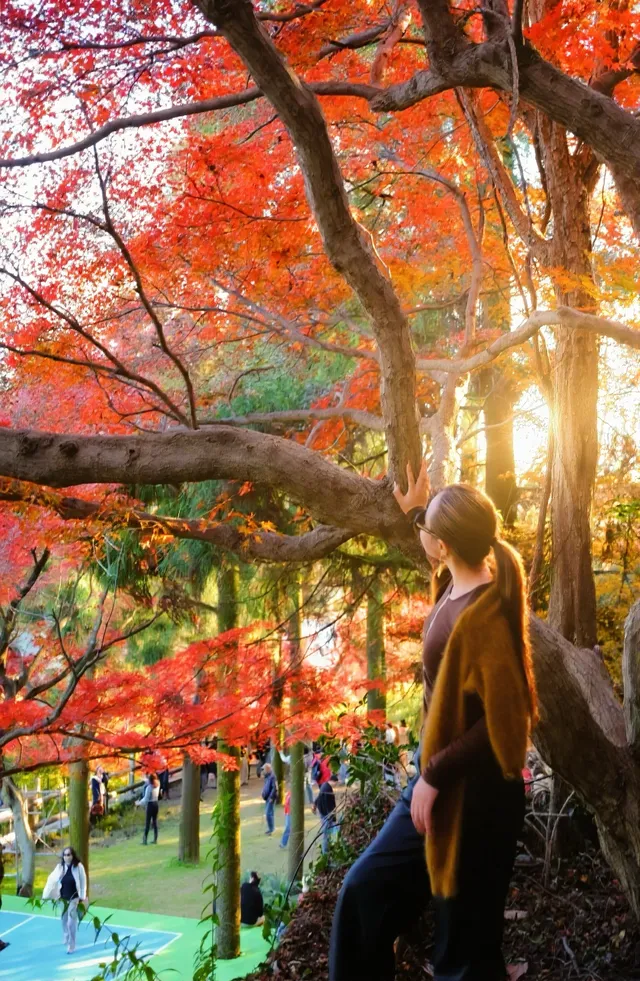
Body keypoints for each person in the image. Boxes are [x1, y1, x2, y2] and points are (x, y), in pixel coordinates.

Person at [329, 463, 537, 981]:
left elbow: (502, 726)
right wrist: (418, 511)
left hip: (475, 799)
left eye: (429, 532)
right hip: (441, 782)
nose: (422, 537)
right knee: (364, 894)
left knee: (463, 957)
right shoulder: (459, 579)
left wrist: (433, 776)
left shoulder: (485, 616)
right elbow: (433, 542)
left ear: (446, 545)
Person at [42, 846, 88, 954]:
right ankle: (66, 935)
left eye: (69, 855)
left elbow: (83, 882)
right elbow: (51, 880)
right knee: (63, 920)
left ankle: (72, 945)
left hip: (74, 899)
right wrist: (47, 894)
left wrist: (82, 896)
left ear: (72, 856)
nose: (67, 857)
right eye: (65, 855)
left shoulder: (78, 867)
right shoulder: (60, 868)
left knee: (71, 923)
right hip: (62, 899)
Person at [313, 779, 338, 855]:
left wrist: (314, 805)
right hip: (326, 816)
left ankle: (328, 849)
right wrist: (332, 818)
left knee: (328, 832)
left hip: (323, 814)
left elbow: (319, 797)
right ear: (333, 781)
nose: (335, 785)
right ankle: (325, 852)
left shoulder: (324, 786)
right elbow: (329, 806)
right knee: (326, 834)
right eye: (336, 783)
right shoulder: (328, 789)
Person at [136, 772, 160, 844]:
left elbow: (146, 799)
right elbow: (149, 781)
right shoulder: (157, 784)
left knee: (148, 822)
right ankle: (155, 839)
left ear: (150, 780)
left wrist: (138, 803)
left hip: (150, 805)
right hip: (156, 804)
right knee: (155, 822)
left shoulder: (149, 788)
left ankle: (145, 840)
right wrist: (144, 778)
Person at [261, 763, 278, 835]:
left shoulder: (273, 777)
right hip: (267, 797)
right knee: (269, 813)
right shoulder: (267, 777)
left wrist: (271, 797)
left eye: (264, 769)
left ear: (267, 769)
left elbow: (275, 788)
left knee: (268, 813)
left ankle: (272, 829)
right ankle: (271, 828)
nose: (263, 771)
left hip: (271, 798)